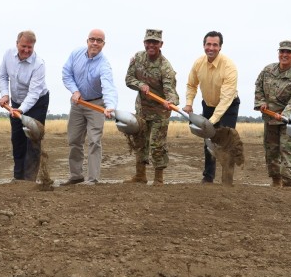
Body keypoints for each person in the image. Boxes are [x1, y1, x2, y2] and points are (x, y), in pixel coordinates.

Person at [61, 28, 117, 185]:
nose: (95, 43)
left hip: (97, 104)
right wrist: (75, 90)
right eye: (92, 39)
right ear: (87, 41)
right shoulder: (76, 54)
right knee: (74, 140)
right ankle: (76, 175)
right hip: (78, 103)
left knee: (94, 140)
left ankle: (92, 179)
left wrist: (110, 105)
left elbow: (108, 86)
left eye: (99, 41)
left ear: (103, 44)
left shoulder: (104, 65)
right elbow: (66, 73)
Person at [183, 31, 240, 183]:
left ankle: (227, 178)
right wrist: (189, 103)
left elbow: (226, 98)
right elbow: (191, 84)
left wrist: (212, 121)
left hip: (228, 106)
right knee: (208, 139)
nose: (211, 48)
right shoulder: (198, 63)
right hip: (208, 104)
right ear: (204, 46)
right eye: (208, 44)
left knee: (226, 140)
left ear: (220, 47)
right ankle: (208, 176)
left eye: (215, 45)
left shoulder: (229, 67)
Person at [125, 29, 179, 185]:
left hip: (160, 112)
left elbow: (170, 91)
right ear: (144, 43)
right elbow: (129, 79)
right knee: (140, 141)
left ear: (161, 44)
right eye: (148, 41)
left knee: (157, 144)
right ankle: (140, 176)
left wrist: (169, 102)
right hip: (142, 109)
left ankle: (158, 178)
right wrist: (140, 84)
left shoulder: (165, 67)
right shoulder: (137, 58)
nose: (151, 45)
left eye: (155, 42)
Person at [0, 30, 49, 181]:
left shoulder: (38, 64)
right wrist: (5, 94)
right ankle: (18, 177)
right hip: (16, 102)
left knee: (32, 138)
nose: (26, 50)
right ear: (17, 43)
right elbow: (2, 75)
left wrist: (20, 110)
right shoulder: (8, 55)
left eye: (30, 48)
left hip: (37, 102)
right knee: (17, 138)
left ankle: (29, 179)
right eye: (23, 46)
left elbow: (33, 93)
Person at [254, 40, 291, 187]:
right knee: (271, 150)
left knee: (286, 150)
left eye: (288, 52)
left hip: (289, 121)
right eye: (282, 51)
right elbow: (258, 87)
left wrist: (284, 114)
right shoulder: (268, 70)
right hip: (270, 118)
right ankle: (275, 181)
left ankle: (289, 184)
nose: (284, 55)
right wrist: (261, 102)